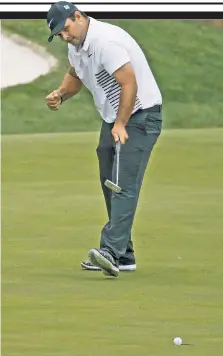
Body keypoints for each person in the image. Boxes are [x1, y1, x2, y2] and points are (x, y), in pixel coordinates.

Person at [45, 1, 162, 278]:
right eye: (59, 34)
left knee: (122, 184)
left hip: (140, 115)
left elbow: (128, 83)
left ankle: (110, 251)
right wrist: (61, 94)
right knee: (109, 179)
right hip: (115, 118)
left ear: (78, 16)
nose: (65, 36)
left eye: (65, 29)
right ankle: (124, 255)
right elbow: (75, 75)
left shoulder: (105, 41)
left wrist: (122, 123)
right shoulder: (77, 46)